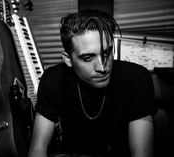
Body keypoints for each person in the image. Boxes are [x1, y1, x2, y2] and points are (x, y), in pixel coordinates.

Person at [28, 9, 156, 157]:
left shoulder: (137, 78)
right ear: (68, 59)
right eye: (88, 58)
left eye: (106, 53)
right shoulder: (53, 80)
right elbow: (37, 149)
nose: (102, 68)